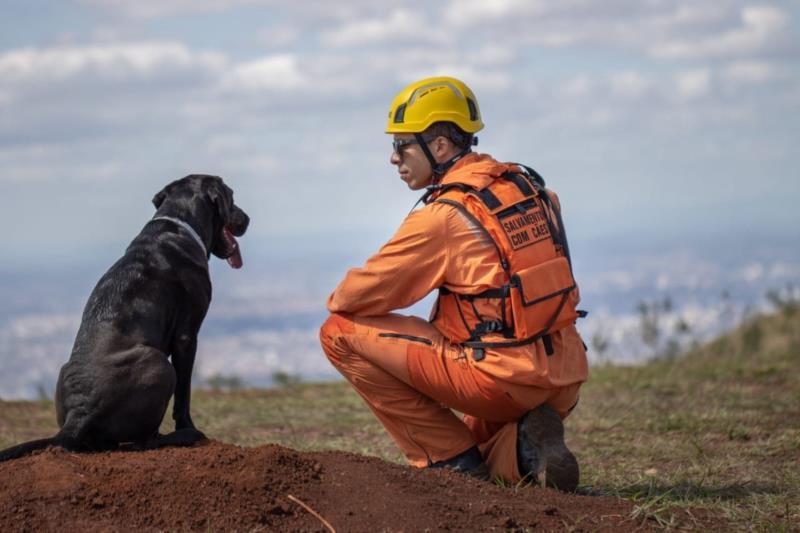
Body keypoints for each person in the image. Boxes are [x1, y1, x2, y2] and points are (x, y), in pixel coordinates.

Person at [319, 76, 588, 490]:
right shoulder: (534, 190)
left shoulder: (444, 215)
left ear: (440, 146)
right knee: (480, 441)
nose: (394, 158)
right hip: (566, 375)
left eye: (401, 144)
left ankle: (448, 462)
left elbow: (352, 297)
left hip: (502, 379)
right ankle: (526, 451)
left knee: (337, 331)